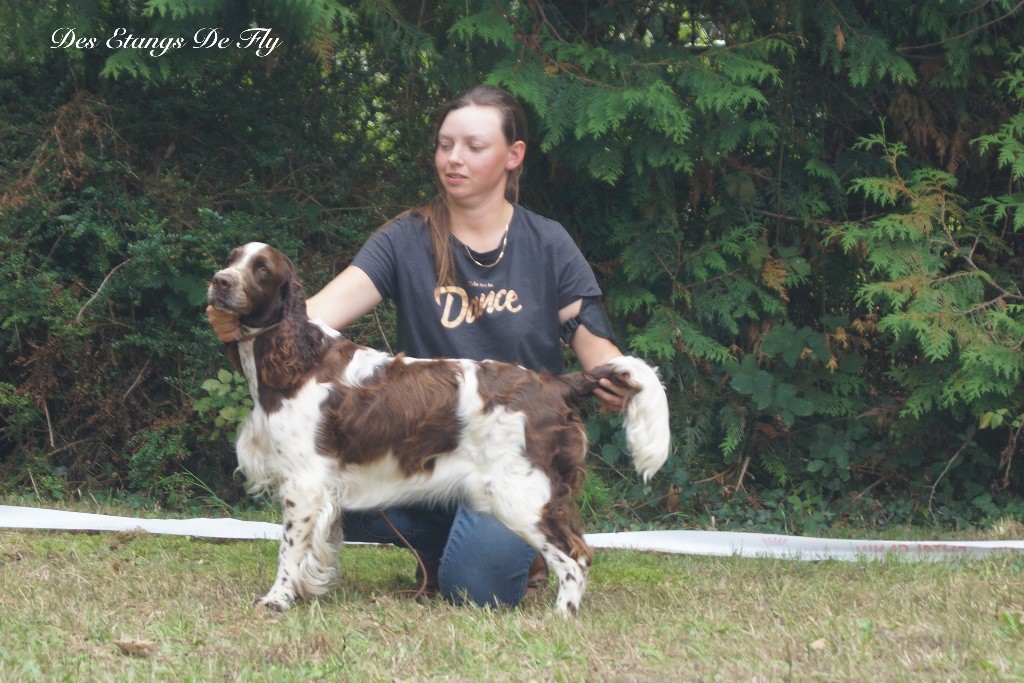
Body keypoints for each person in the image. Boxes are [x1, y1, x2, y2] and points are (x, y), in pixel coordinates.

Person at [207, 85, 628, 608]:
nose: (454, 158)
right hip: (419, 440)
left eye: (474, 146)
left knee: (478, 591)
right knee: (321, 472)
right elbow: (310, 318)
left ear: (512, 156)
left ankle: (521, 541)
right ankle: (438, 544)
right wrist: (246, 317)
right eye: (444, 144)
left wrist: (611, 373)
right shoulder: (405, 238)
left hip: (505, 441)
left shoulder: (548, 242)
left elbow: (589, 333)